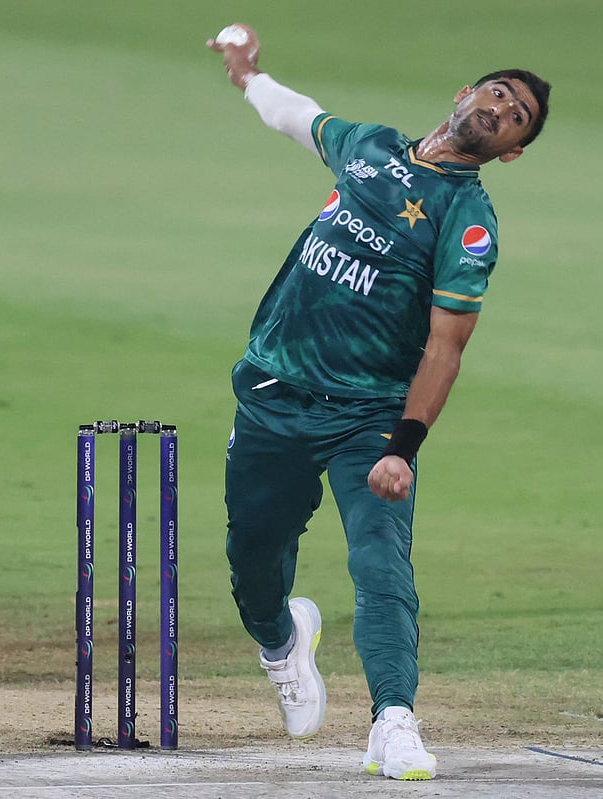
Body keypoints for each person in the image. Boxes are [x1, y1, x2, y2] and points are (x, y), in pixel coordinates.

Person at [207, 24, 551, 781]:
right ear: (464, 94)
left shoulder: (467, 220)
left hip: (368, 416)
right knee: (251, 559)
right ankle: (280, 639)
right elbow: (300, 116)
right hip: (272, 389)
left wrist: (403, 445)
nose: (500, 108)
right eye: (496, 93)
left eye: (516, 115)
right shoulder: (368, 146)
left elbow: (446, 348)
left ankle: (393, 719)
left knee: (381, 564)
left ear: (513, 151)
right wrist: (248, 76)